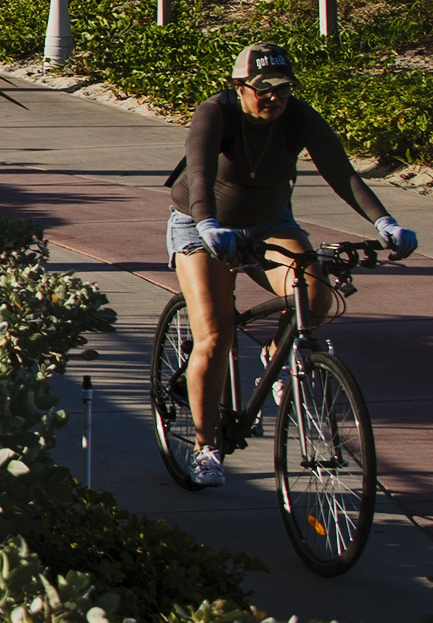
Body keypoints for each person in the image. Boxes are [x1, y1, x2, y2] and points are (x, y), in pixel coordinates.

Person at [166, 42, 416, 485]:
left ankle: (276, 355)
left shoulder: (298, 116)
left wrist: (386, 222)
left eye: (282, 89)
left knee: (315, 296)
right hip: (202, 223)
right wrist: (206, 223)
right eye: (263, 89)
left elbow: (343, 173)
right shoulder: (216, 113)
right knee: (216, 331)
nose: (274, 98)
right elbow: (200, 174)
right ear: (239, 86)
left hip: (268, 221)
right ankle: (207, 449)